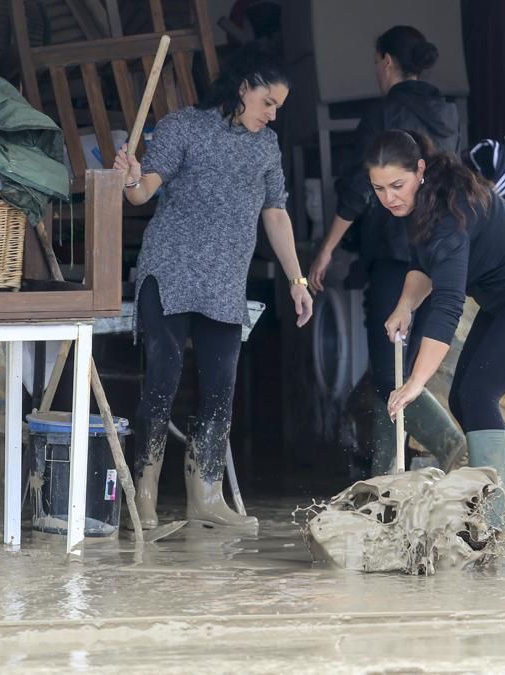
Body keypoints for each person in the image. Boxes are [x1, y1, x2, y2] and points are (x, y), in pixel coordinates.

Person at [114, 49, 313, 529]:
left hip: (225, 279)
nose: (271, 114)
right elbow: (144, 190)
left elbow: (276, 212)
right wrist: (131, 178)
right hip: (170, 270)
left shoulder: (266, 147)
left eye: (278, 108)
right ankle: (143, 495)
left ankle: (206, 495)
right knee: (163, 377)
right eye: (267, 102)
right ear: (244, 88)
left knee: (221, 388)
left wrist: (297, 280)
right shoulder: (184, 126)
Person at [369, 130, 505, 533]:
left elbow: (448, 305)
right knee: (465, 400)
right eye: (379, 188)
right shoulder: (421, 204)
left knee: (479, 393)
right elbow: (423, 264)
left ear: (421, 170)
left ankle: (493, 524)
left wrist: (415, 382)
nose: (389, 197)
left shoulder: (449, 213)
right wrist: (405, 305)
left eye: (397, 185)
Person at [308, 25, 465, 476]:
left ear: (386, 62)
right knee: (400, 367)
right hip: (434, 253)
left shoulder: (385, 114)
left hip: (396, 256)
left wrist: (326, 250)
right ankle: (386, 474)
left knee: (386, 370)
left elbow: (359, 191)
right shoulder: (446, 113)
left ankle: (450, 448)